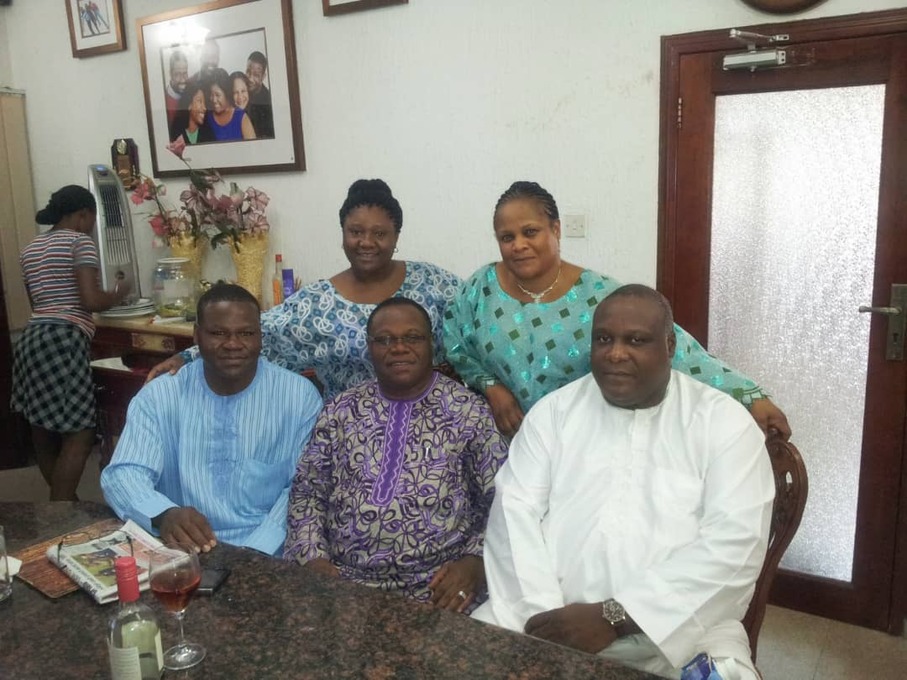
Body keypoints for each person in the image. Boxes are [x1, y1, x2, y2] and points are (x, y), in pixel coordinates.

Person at [473, 285, 774, 680]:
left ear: (669, 347)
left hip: (683, 634)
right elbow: (514, 515)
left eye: (636, 340)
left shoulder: (724, 424)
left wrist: (616, 617)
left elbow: (734, 546)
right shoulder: (554, 413)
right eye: (603, 339)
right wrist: (548, 623)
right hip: (542, 618)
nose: (616, 353)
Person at [443, 180, 791, 440]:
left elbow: (678, 349)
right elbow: (454, 344)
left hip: (584, 443)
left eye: (530, 232)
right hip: (502, 443)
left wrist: (750, 396)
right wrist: (491, 387)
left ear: (556, 229)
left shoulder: (600, 296)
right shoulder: (480, 288)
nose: (518, 245)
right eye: (507, 237)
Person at [147, 179, 462, 401]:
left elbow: (480, 329)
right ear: (342, 234)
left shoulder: (434, 284)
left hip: (433, 428)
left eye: (380, 233)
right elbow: (252, 335)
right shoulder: (316, 304)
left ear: (396, 237)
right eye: (356, 232)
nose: (367, 242)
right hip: (350, 437)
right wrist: (186, 357)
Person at [284, 298, 507, 610]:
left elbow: (501, 500)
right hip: (344, 582)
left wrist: (475, 562)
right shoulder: (342, 409)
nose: (398, 348)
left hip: (439, 585)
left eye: (412, 338)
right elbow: (307, 492)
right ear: (369, 347)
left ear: (432, 344)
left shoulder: (468, 411)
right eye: (384, 340)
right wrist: (313, 560)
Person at [101, 284, 322, 555]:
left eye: (246, 333)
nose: (233, 344)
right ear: (196, 336)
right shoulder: (161, 396)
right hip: (181, 550)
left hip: (269, 552)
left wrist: (257, 550)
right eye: (218, 333)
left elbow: (303, 487)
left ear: (261, 337)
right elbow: (123, 474)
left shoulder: (298, 397)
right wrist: (163, 514)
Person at [11, 185, 131, 500]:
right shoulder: (80, 242)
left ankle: (65, 506)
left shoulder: (31, 248)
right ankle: (62, 509)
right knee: (80, 431)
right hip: (64, 340)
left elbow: (39, 303)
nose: (91, 226)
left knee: (43, 428)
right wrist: (120, 292)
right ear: (83, 215)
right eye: (91, 219)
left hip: (32, 338)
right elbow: (89, 300)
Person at [204, 68, 256, 142]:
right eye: (211, 95)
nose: (214, 100)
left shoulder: (241, 117)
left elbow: (254, 149)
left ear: (227, 93)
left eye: (217, 95)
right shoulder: (207, 117)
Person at [244, 51, 274, 139]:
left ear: (263, 77)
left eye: (256, 75)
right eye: (248, 72)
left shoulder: (268, 101)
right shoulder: (240, 91)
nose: (250, 78)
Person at [165, 50, 190, 139]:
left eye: (185, 73)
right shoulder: (163, 101)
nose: (182, 79)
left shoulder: (193, 95)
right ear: (170, 74)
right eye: (177, 74)